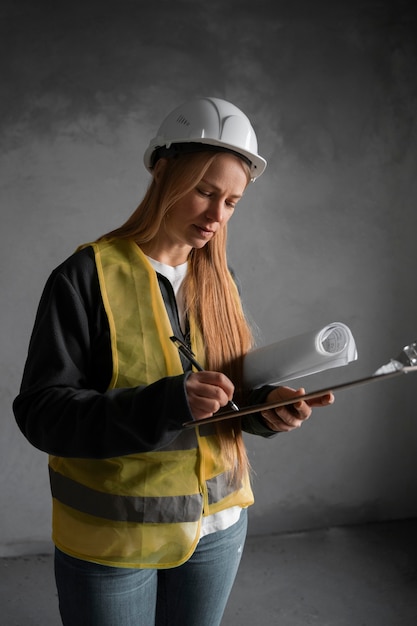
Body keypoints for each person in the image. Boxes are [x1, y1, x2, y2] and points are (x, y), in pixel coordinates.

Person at [13, 97, 334, 626]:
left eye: (231, 201)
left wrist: (265, 409)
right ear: (164, 174)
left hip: (219, 529)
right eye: (205, 192)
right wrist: (168, 402)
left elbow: (226, 391)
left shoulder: (218, 280)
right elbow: (42, 412)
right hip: (114, 540)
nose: (216, 215)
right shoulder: (84, 276)